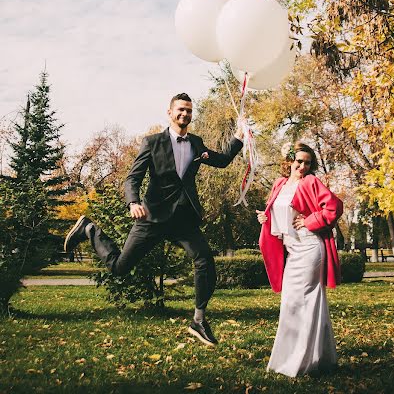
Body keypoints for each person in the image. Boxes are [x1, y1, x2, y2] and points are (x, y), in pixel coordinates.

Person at [64, 93, 243, 346]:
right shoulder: (152, 143)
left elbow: (222, 161)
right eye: (180, 110)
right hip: (153, 216)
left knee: (204, 259)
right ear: (170, 113)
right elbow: (132, 178)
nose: (185, 114)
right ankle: (90, 229)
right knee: (120, 268)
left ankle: (199, 320)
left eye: (189, 111)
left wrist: (238, 138)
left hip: (183, 220)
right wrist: (133, 202)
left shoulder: (196, 143)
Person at [256, 141, 343, 377]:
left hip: (310, 247)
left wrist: (309, 221)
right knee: (300, 301)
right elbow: (277, 216)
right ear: (290, 162)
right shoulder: (280, 184)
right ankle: (321, 358)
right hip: (292, 250)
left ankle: (301, 362)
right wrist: (266, 219)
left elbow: (334, 208)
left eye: (307, 163)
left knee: (300, 301)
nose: (302, 166)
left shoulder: (311, 182)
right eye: (298, 161)